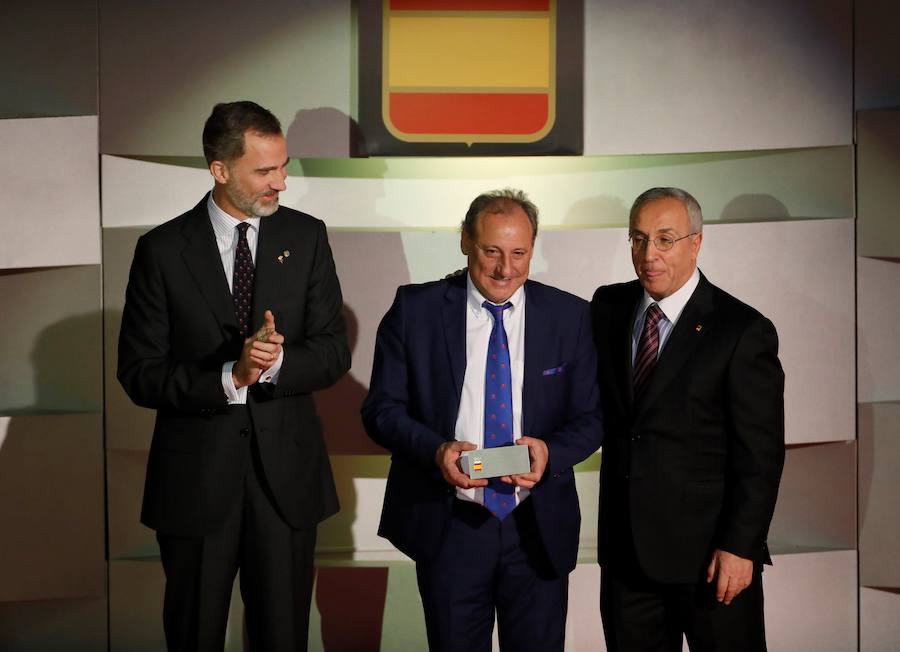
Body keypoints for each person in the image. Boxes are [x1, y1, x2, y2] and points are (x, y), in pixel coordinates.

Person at [117, 100, 350, 651]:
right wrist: (231, 375)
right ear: (219, 170)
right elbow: (140, 373)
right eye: (265, 171)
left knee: (282, 636)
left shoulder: (308, 237)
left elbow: (334, 351)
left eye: (284, 167)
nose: (282, 184)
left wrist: (275, 364)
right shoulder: (162, 250)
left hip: (286, 483)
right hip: (196, 484)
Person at [362, 189, 603, 652]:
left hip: (535, 527)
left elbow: (592, 417)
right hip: (450, 525)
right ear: (465, 243)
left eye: (519, 253)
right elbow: (381, 411)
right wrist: (436, 451)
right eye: (492, 251)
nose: (505, 269)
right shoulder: (416, 311)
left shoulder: (570, 316)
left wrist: (550, 453)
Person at [591, 187, 785, 651]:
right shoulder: (608, 308)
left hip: (712, 562)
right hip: (627, 561)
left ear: (695, 243)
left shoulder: (742, 330)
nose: (648, 255)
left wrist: (741, 546)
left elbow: (759, 455)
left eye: (665, 239)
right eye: (638, 239)